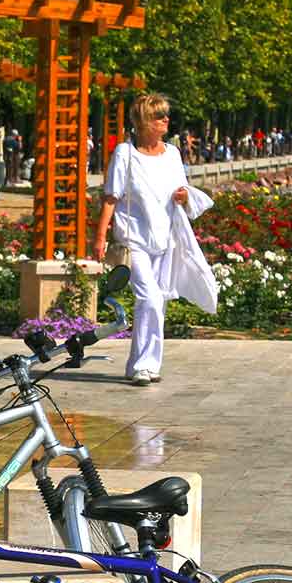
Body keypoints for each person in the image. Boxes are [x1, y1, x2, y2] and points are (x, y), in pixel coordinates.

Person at [92, 93, 215, 386]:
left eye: (166, 115)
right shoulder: (125, 153)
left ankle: (139, 364)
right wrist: (100, 238)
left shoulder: (172, 153)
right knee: (149, 297)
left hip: (166, 236)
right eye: (160, 116)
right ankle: (146, 365)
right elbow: (111, 196)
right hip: (134, 237)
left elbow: (180, 188)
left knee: (155, 303)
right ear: (145, 121)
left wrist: (184, 196)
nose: (166, 120)